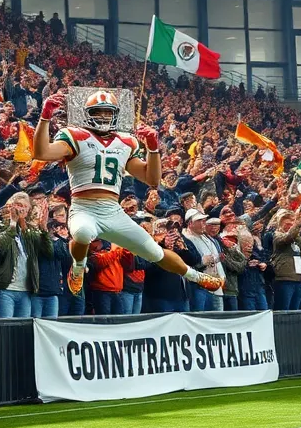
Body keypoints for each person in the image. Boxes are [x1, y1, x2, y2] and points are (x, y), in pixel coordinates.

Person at [31, 90, 221, 298]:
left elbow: (152, 180)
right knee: (84, 232)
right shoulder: (75, 136)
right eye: (98, 112)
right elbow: (42, 153)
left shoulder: (126, 142)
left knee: (154, 252)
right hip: (84, 206)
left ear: (115, 115)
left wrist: (153, 149)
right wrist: (45, 118)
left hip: (113, 209)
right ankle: (78, 267)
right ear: (87, 114)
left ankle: (197, 277)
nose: (103, 117)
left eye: (107, 112)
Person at [0, 191, 49, 318]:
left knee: (21, 331)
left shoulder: (28, 231)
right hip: (4, 290)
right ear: (10, 205)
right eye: (19, 205)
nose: (22, 209)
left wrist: (43, 228)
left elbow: (48, 252)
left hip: (25, 291)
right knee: (5, 329)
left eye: (25, 207)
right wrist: (12, 224)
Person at [268, 209, 301, 311]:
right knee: (283, 310)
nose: (290, 226)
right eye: (287, 224)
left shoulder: (296, 238)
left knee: (295, 311)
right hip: (284, 279)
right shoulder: (277, 235)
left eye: (292, 224)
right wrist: (297, 226)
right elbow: (287, 238)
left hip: (298, 279)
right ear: (280, 224)